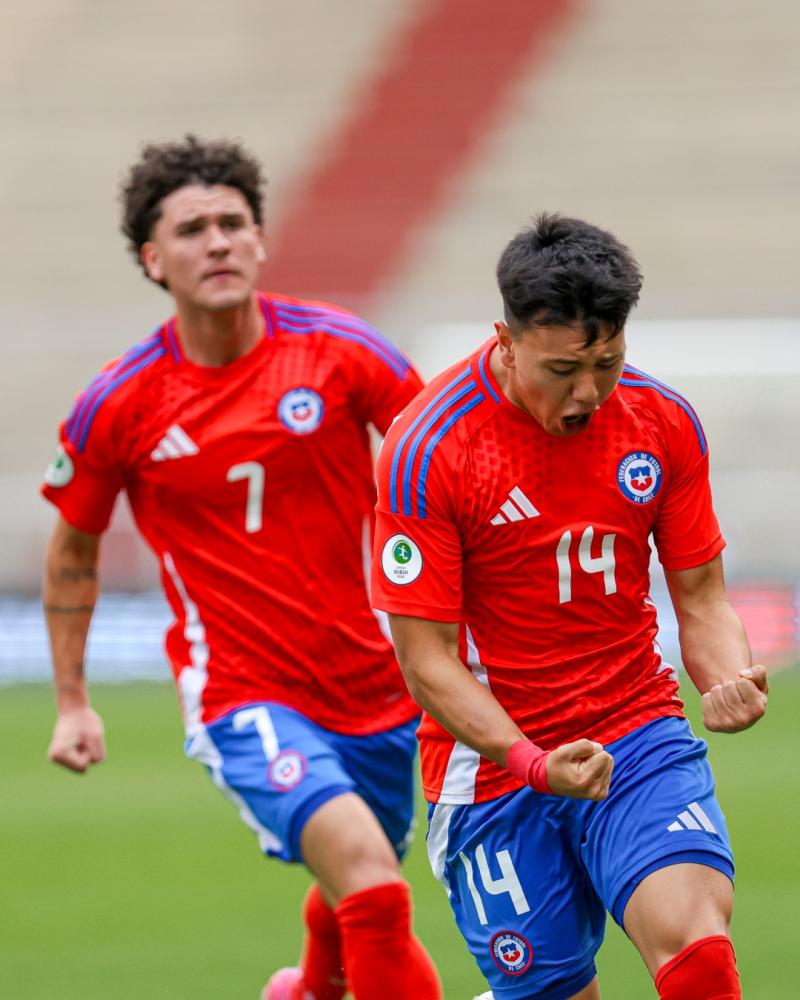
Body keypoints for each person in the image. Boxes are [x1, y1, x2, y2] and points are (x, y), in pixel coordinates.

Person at [41, 135, 441, 1000]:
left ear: (260, 238)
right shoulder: (122, 400)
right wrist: (73, 701)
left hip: (377, 681)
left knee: (358, 869)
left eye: (232, 223)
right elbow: (73, 551)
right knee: (372, 882)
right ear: (153, 259)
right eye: (192, 230)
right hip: (242, 692)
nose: (217, 242)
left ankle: (307, 990)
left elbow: (444, 466)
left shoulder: (341, 351)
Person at [370, 213, 768, 1000]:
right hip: (495, 768)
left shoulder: (661, 421)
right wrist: (531, 761)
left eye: (607, 362)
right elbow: (426, 661)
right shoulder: (430, 448)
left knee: (699, 956)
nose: (588, 392)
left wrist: (726, 676)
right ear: (506, 339)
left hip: (634, 731)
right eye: (562, 369)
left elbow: (701, 597)